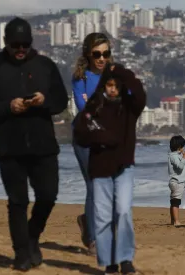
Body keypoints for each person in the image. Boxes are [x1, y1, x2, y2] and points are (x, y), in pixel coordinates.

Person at [0, 17, 68, 271]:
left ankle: (32, 235)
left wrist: (43, 100)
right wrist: (8, 106)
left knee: (48, 195)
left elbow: (61, 101)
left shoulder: (45, 66)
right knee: (17, 201)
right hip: (9, 146)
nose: (20, 49)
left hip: (43, 145)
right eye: (15, 45)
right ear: (6, 43)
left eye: (25, 44)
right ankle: (21, 254)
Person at [73, 63, 146, 275]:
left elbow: (140, 92)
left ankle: (126, 260)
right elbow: (79, 133)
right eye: (109, 85)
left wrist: (120, 71)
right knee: (103, 217)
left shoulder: (130, 107)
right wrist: (102, 138)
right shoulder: (94, 106)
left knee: (123, 211)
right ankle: (110, 262)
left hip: (124, 167)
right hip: (100, 168)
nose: (112, 89)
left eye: (116, 85)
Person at [71, 32, 113, 254]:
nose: (101, 58)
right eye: (97, 53)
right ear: (88, 53)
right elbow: (83, 108)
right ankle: (95, 240)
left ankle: (87, 224)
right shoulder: (81, 77)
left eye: (105, 53)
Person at [167, 135, 185, 227]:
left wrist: (183, 155)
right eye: (182, 147)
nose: (183, 148)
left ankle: (173, 220)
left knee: (173, 201)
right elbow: (180, 167)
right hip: (177, 181)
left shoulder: (174, 155)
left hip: (175, 181)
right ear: (179, 147)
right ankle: (176, 221)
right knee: (176, 202)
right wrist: (184, 157)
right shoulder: (174, 156)